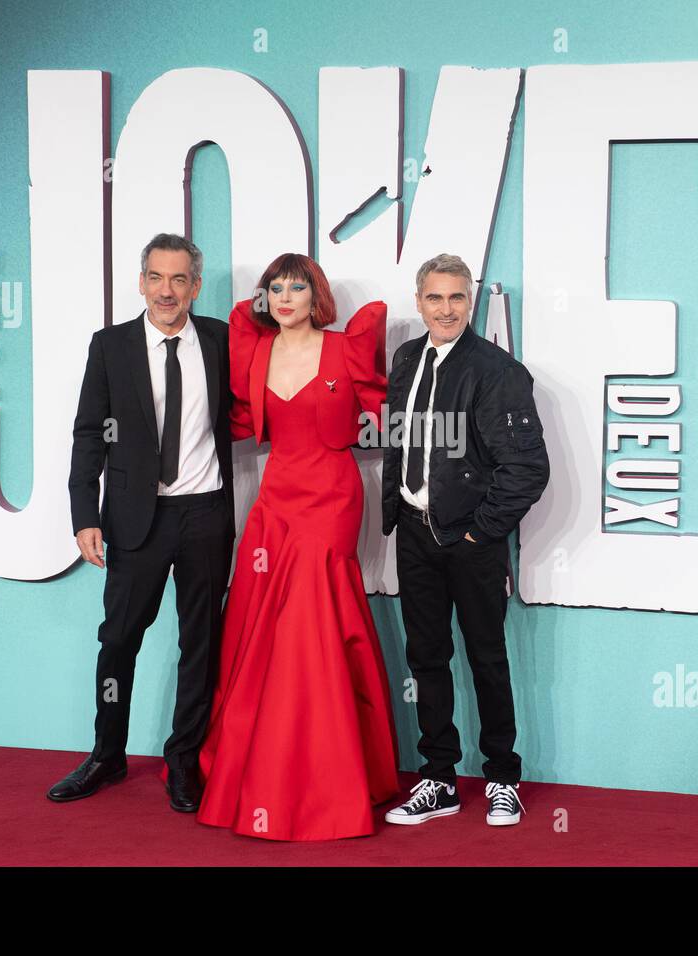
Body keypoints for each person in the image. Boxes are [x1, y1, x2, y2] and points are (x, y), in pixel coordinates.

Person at [196, 253, 399, 841]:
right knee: (264, 624)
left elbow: (380, 418)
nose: (284, 297)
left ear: (318, 297)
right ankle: (267, 767)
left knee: (313, 617)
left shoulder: (346, 348)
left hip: (333, 498)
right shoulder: (254, 352)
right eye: (275, 288)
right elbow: (235, 415)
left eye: (297, 287)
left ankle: (329, 780)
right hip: (275, 501)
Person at [48, 233, 234, 814]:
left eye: (179, 279)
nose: (167, 290)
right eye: (156, 277)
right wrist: (84, 515)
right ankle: (107, 753)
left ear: (195, 286)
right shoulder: (111, 347)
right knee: (119, 639)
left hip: (206, 513)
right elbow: (87, 433)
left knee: (199, 645)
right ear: (141, 282)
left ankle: (183, 763)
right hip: (135, 518)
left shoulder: (224, 342)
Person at [381, 253, 549, 827]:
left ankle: (503, 777)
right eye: (435, 297)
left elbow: (526, 468)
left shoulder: (497, 370)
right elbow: (400, 441)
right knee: (426, 657)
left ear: (470, 301)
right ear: (419, 301)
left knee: (486, 657)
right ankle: (439, 780)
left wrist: (481, 532)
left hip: (470, 541)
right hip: (414, 531)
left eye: (457, 297)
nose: (446, 308)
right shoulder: (406, 359)